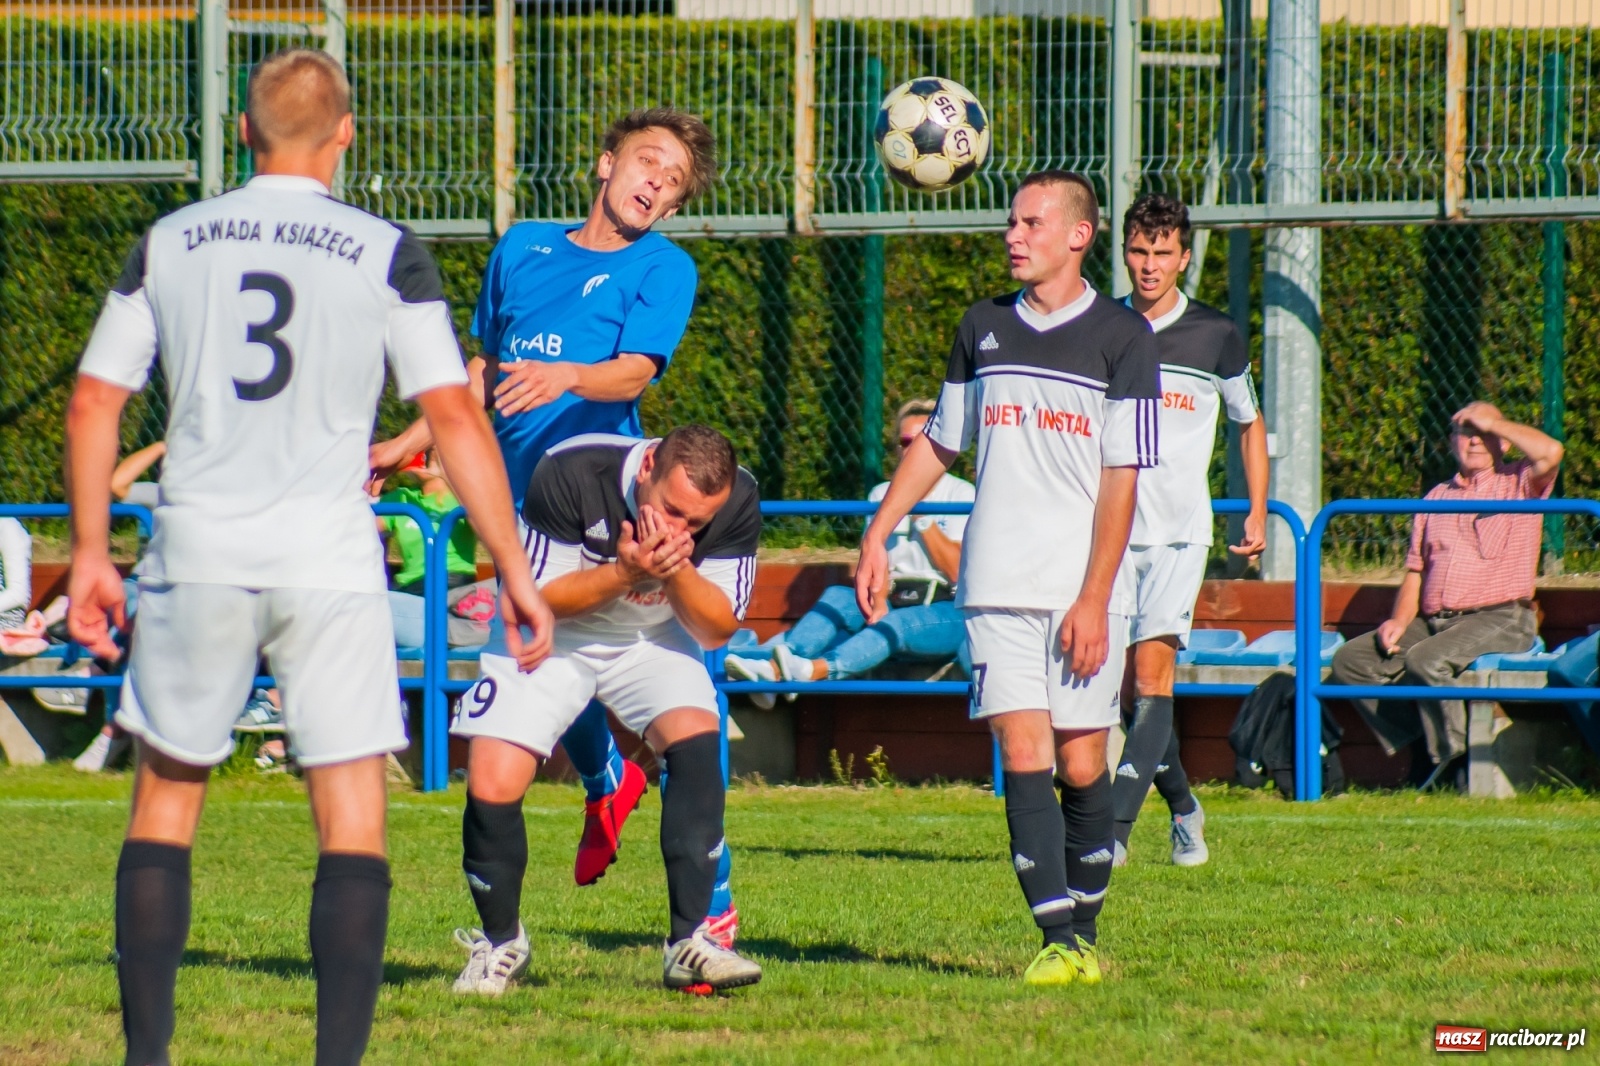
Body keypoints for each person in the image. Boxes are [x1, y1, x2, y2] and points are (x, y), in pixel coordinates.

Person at [64, 49, 552, 1066]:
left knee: (166, 797)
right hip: (328, 556)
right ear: (346, 135)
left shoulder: (171, 240)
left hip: (196, 546)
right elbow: (452, 414)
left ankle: (146, 1056)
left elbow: (95, 399)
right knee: (349, 808)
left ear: (243, 132)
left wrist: (85, 555)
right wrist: (510, 565)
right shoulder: (382, 249)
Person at [366, 108, 726, 908]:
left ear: (672, 208)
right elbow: (481, 374)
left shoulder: (663, 269)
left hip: (600, 514)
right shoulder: (523, 246)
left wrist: (567, 378)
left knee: (667, 709)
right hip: (514, 508)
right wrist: (404, 445)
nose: (656, 183)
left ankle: (708, 899)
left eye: (673, 183)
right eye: (647, 164)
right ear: (605, 165)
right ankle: (609, 778)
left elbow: (634, 374)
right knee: (545, 654)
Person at [856, 171, 1159, 987]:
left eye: (1030, 223)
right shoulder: (982, 326)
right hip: (994, 582)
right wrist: (879, 532)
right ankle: (1059, 942)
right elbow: (938, 444)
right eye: (1010, 223)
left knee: (1081, 764)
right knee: (1022, 752)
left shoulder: (1123, 338)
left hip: (1082, 589)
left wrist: (1096, 597)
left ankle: (1084, 931)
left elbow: (1122, 482)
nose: (1012, 236)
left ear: (1077, 235)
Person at [449, 426, 763, 995]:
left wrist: (674, 570)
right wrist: (624, 573)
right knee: (493, 779)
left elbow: (717, 627)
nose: (679, 528)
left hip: (652, 639)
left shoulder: (739, 495)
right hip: (554, 633)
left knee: (696, 738)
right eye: (671, 510)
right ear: (647, 468)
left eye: (695, 523)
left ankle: (689, 942)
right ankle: (500, 945)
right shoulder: (572, 468)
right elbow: (534, 598)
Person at [1110, 193, 1269, 868]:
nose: (1149, 266)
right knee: (1118, 696)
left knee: (1153, 679)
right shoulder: (1098, 327)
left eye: (1163, 253)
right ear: (1124, 252)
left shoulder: (1215, 335)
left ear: (1184, 257)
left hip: (1179, 535)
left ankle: (1109, 834)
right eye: (1139, 252)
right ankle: (1183, 805)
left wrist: (1257, 508)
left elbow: (1249, 422)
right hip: (1108, 537)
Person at [1328, 400, 1562, 788]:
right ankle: (1426, 745)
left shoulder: (1519, 484)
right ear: (1451, 442)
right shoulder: (1435, 497)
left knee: (1425, 661)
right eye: (1463, 431)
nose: (1472, 440)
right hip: (1435, 620)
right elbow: (1415, 571)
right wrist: (1399, 621)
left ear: (1502, 442)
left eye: (1482, 432)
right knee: (1351, 661)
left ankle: (1452, 761)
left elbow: (1552, 452)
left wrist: (1495, 422)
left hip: (1501, 616)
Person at [723, 399, 972, 709]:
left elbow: (956, 569)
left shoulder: (962, 494)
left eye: (922, 441)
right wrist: (878, 602)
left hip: (943, 608)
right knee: (838, 598)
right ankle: (784, 662)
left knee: (891, 627)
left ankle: (806, 671)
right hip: (895, 599)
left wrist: (918, 512)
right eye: (906, 442)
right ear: (896, 447)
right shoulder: (881, 494)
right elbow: (874, 563)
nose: (912, 450)